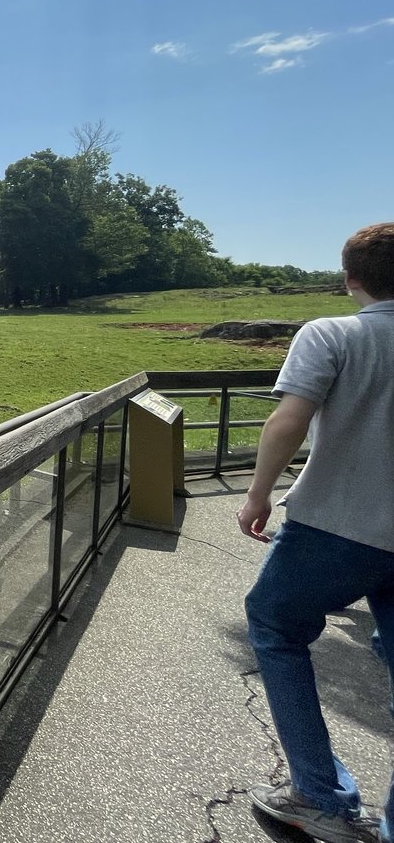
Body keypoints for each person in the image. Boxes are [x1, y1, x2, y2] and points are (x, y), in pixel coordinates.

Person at [238, 222, 394, 843]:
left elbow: (288, 420)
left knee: (274, 623)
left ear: (350, 277)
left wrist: (258, 495)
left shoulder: (332, 333)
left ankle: (321, 798)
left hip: (337, 523)